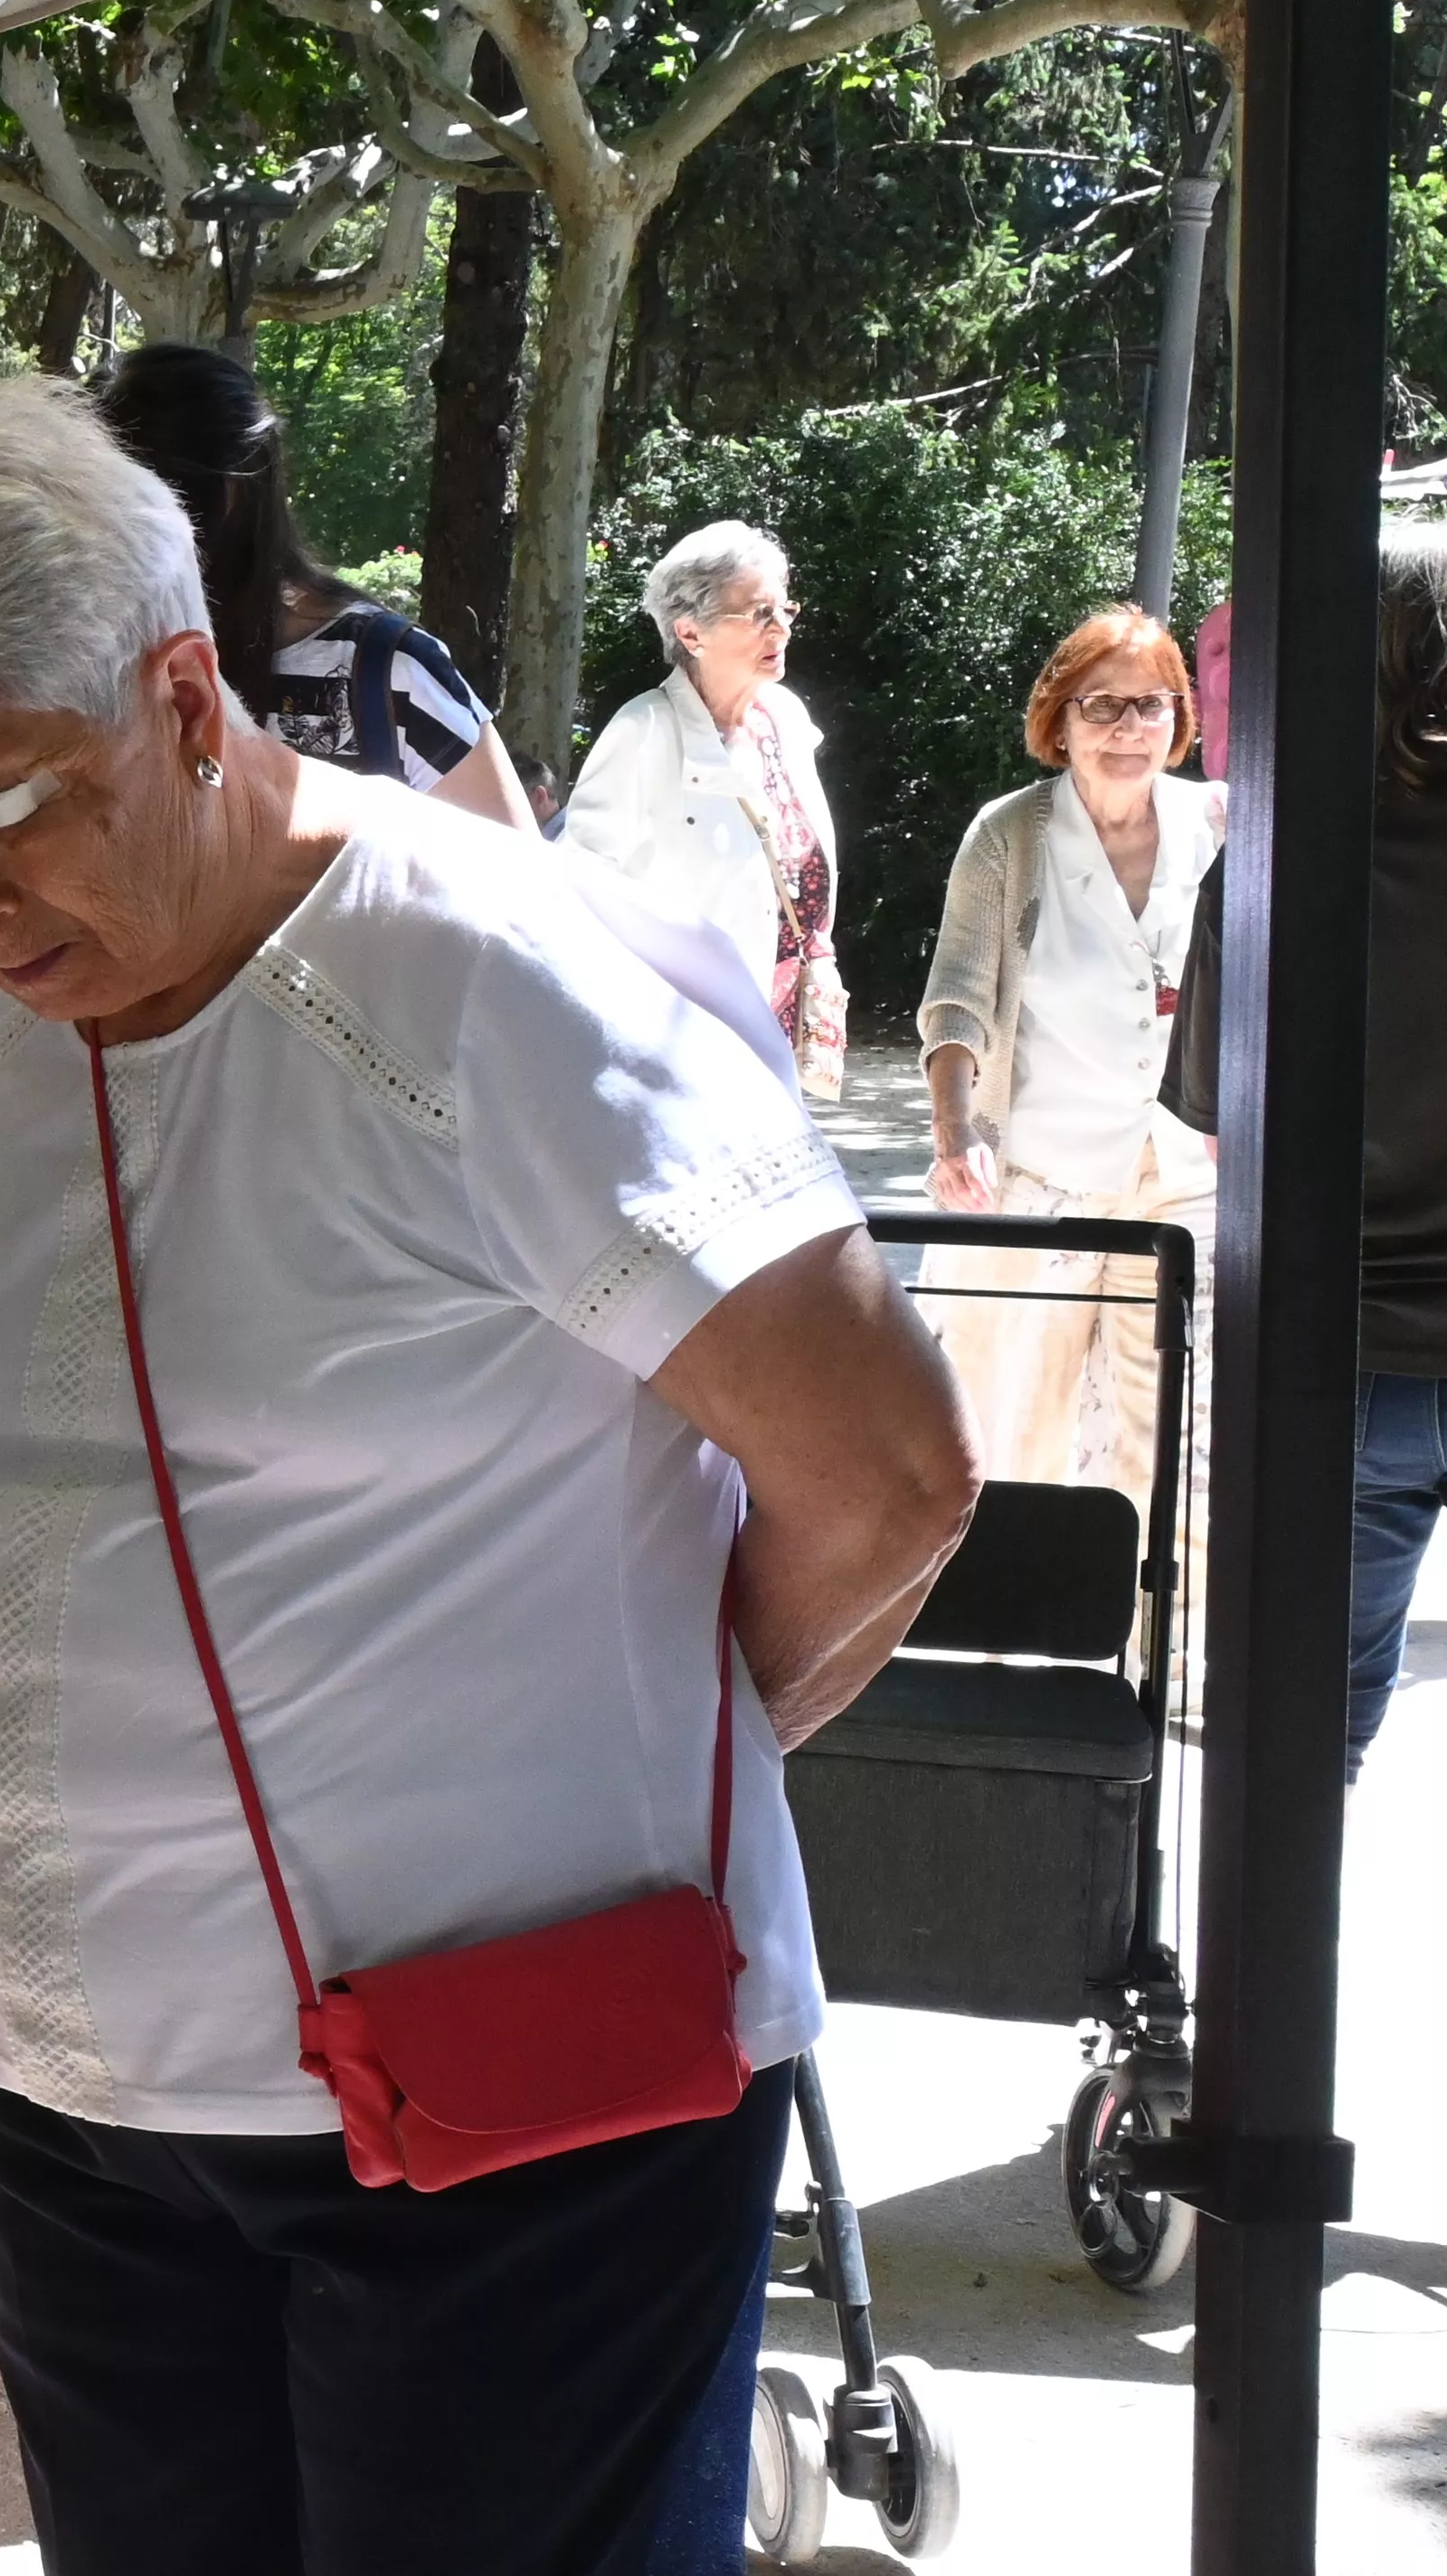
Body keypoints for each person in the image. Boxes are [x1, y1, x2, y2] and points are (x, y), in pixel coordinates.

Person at [0, 376, 978, 2571]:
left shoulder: (485, 973)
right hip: (76, 2097)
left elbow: (883, 1463)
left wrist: (663, 1731)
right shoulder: (9, 1002)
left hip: (498, 2097)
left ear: (177, 689)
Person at [1167, 526, 1447, 1780]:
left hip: (1351, 1347)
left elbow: (1220, 1119)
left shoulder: (1267, 863)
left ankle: (1282, 1976)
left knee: (1314, 1729)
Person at [913, 609, 1225, 1499]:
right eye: (1102, 706)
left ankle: (1160, 1634)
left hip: (1180, 1174)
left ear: (1178, 716)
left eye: (1150, 705)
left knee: (1174, 1433)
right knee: (1008, 1419)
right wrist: (954, 1132)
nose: (1128, 728)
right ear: (1061, 718)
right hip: (1041, 1171)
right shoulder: (1011, 831)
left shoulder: (1216, 819)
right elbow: (956, 998)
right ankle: (1002, 1624)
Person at [95, 341, 540, 828]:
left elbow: (520, 888)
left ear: (224, 498)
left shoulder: (390, 675)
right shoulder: (90, 677)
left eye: (116, 515)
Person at [564, 519, 849, 1096]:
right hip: (680, 1040)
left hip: (780, 1026)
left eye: (784, 610)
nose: (781, 630)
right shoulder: (642, 730)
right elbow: (578, 889)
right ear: (690, 633)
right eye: (758, 614)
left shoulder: (784, 718)